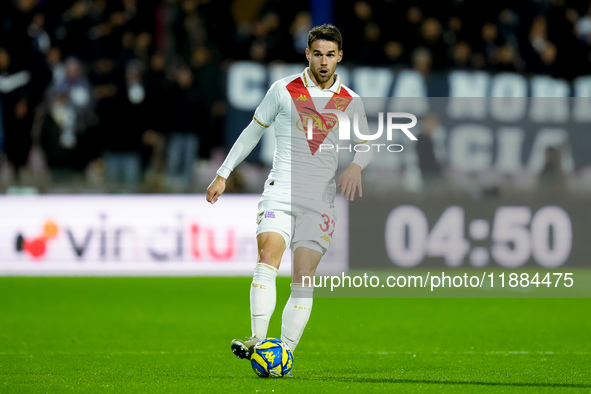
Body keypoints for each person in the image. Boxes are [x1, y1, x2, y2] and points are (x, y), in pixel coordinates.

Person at [205, 24, 372, 375]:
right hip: (280, 189)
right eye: (317, 54)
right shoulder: (284, 90)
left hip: (321, 198)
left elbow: (365, 145)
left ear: (339, 56)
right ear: (307, 54)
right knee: (268, 255)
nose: (323, 61)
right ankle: (256, 337)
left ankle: (285, 353)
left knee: (303, 275)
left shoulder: (351, 101)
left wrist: (356, 166)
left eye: (330, 55)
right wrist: (223, 172)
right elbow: (253, 130)